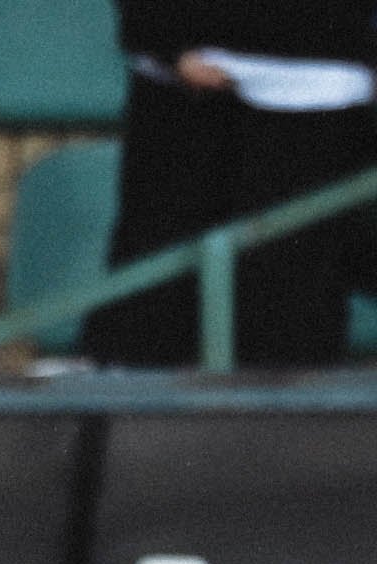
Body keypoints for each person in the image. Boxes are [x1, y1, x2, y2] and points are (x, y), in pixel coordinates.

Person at [87, 3, 377, 368]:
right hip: (179, 71)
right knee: (155, 289)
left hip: (318, 74)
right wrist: (162, 40)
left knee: (288, 295)